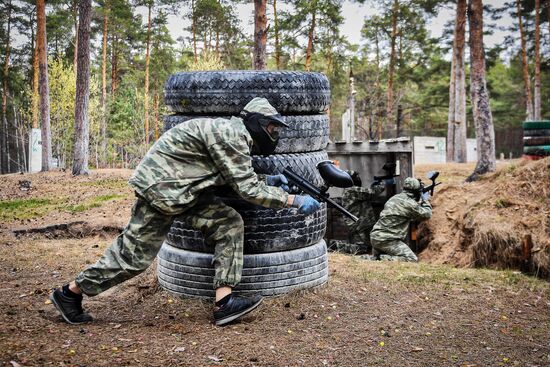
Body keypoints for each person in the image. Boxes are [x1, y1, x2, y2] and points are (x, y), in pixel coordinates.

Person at [49, 97, 321, 326]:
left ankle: (224, 302)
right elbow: (246, 189)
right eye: (273, 128)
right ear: (257, 123)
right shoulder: (232, 135)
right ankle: (70, 293)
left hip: (183, 192)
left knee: (228, 223)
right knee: (134, 257)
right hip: (162, 190)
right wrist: (293, 201)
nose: (275, 134)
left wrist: (269, 182)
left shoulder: (231, 135)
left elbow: (229, 176)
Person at [369, 177, 432, 262]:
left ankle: (377, 258)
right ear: (416, 191)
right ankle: (379, 259)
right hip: (388, 240)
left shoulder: (394, 198)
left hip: (376, 236)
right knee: (411, 259)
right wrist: (425, 199)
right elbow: (427, 214)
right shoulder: (410, 204)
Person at [341, 171, 387, 253]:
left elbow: (366, 195)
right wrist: (383, 183)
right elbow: (373, 193)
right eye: (356, 177)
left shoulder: (351, 190)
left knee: (367, 246)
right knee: (361, 248)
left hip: (360, 224)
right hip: (358, 226)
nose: (358, 178)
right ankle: (336, 246)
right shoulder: (352, 190)